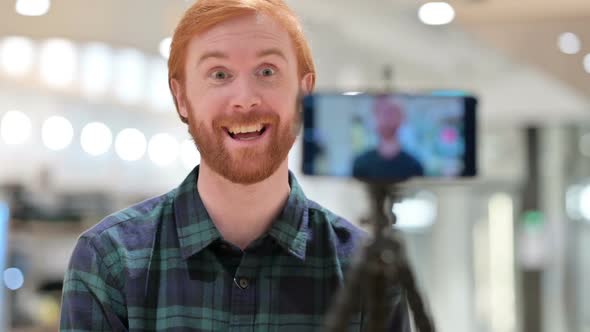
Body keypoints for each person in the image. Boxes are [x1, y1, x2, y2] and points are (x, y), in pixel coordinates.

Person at [60, 0, 410, 330]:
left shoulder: (367, 272)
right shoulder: (110, 262)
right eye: (219, 74)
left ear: (305, 94)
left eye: (267, 70)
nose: (245, 99)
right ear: (182, 98)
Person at [352, 96, 424, 180]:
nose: (386, 119)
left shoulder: (414, 165)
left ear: (401, 117)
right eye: (381, 112)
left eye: (391, 112)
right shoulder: (361, 164)